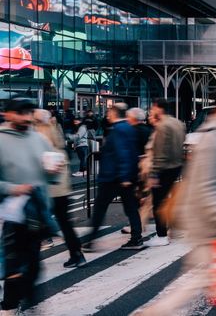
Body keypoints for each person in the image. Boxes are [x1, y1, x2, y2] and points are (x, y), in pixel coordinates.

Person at [138, 88, 216, 316]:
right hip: (212, 225)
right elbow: (208, 187)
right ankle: (155, 312)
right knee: (212, 280)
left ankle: (155, 312)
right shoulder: (214, 138)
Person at [0, 98, 59, 312]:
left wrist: (54, 172)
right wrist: (11, 188)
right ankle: (12, 307)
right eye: (20, 112)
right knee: (15, 265)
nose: (26, 117)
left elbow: (50, 175)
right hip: (11, 213)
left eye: (28, 112)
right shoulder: (1, 140)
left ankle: (21, 304)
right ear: (7, 114)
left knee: (33, 264)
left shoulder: (39, 139)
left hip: (38, 211)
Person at [82, 103, 144, 252]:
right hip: (124, 176)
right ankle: (136, 238)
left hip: (113, 177)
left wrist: (124, 176)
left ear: (115, 113)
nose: (107, 115)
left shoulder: (118, 130)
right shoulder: (129, 127)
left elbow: (122, 153)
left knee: (100, 209)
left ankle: (90, 241)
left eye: (109, 112)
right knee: (131, 208)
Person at [34, 109, 87, 269]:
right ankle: (76, 253)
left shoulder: (41, 135)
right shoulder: (55, 131)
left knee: (39, 224)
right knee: (61, 223)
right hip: (60, 189)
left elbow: (43, 166)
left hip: (49, 190)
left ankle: (29, 260)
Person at [143, 98, 185, 246]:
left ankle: (161, 235)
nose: (152, 111)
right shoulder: (178, 124)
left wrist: (154, 174)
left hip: (164, 168)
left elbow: (160, 152)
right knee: (170, 201)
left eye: (153, 107)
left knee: (159, 203)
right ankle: (176, 228)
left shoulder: (162, 126)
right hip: (177, 166)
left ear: (158, 108)